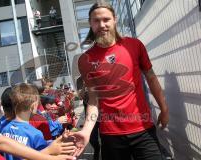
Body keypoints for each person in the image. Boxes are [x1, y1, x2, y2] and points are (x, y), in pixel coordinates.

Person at [72, 2, 169, 160]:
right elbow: (94, 100)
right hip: (111, 136)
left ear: (114, 20)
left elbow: (151, 78)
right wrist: (87, 131)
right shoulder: (85, 60)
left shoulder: (134, 45)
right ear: (90, 23)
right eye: (96, 20)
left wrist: (164, 110)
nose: (102, 25)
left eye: (106, 19)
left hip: (143, 130)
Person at [0, 80, 76, 160]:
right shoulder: (36, 131)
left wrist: (52, 144)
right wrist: (51, 152)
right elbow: (1, 143)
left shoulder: (2, 125)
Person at [0, 83, 76, 160]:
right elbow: (45, 155)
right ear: (33, 106)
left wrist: (58, 139)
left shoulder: (4, 129)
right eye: (38, 103)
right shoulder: (35, 134)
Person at [76, 76, 100, 160]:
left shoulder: (95, 75)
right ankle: (97, 149)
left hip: (102, 109)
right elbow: (80, 96)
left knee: (105, 136)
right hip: (89, 111)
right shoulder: (79, 80)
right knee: (93, 137)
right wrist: (84, 85)